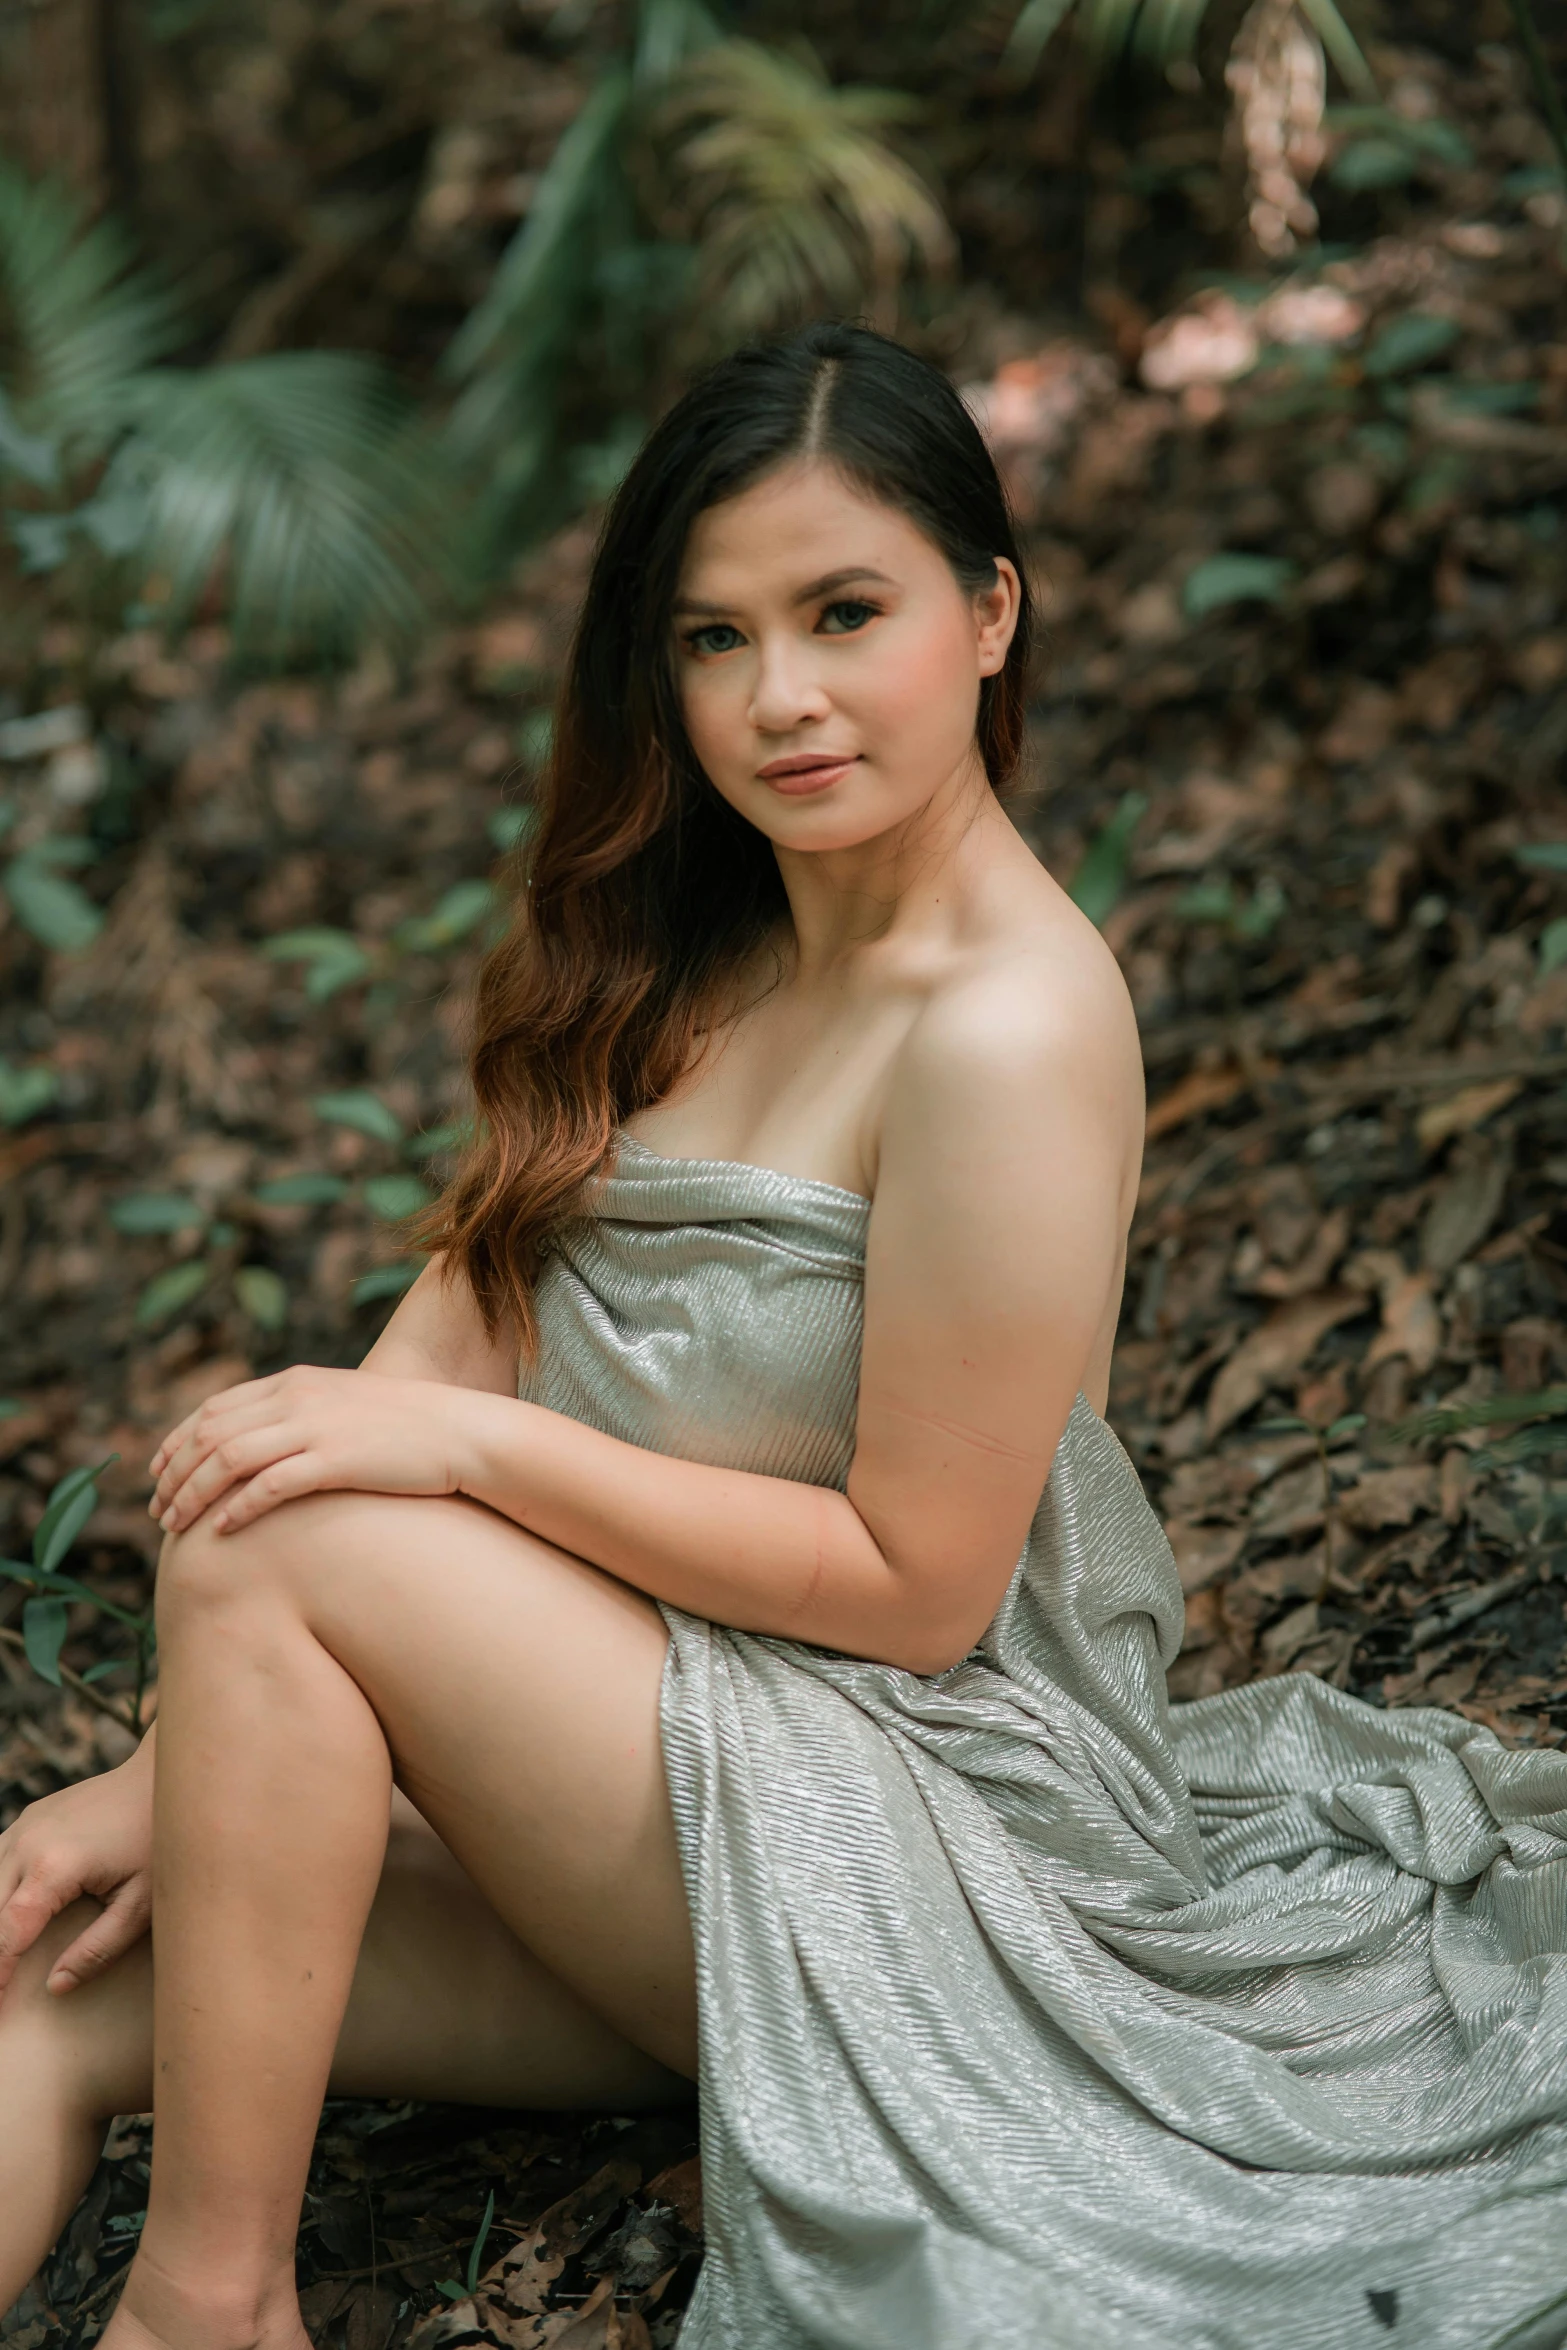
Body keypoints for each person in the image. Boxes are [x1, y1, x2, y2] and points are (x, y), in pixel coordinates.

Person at [1, 320, 1565, 2350]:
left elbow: (919, 1591)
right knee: (36, 1959)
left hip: (916, 1841)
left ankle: (210, 2306)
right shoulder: (694, 941)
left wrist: (468, 1468)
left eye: (846, 612)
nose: (781, 697)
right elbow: (452, 1343)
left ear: (992, 612)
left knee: (285, 1524)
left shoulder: (1006, 1025)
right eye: (715, 637)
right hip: (644, 1777)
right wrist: (155, 1770)